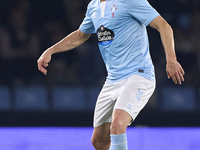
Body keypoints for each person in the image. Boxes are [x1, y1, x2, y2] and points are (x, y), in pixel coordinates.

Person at [37, 0, 185, 149]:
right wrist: (51, 50)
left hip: (139, 74)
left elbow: (164, 26)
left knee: (117, 124)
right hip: (113, 80)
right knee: (99, 141)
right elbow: (81, 35)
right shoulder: (93, 6)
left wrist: (171, 60)